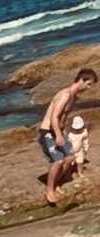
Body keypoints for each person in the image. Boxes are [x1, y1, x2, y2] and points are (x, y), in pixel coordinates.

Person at [39, 68, 97, 205]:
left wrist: (64, 131)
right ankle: (49, 190)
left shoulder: (74, 97)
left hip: (60, 131)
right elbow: (54, 116)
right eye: (88, 84)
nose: (89, 88)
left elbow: (63, 118)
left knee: (71, 157)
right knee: (58, 161)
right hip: (48, 131)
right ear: (81, 81)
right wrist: (58, 135)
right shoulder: (65, 95)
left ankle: (57, 183)